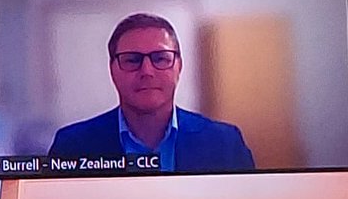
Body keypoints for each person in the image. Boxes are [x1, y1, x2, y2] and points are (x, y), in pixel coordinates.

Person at [48, 13, 255, 173]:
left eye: (160, 58)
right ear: (112, 70)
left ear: (179, 67)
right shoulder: (71, 145)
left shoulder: (226, 143)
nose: (147, 71)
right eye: (132, 60)